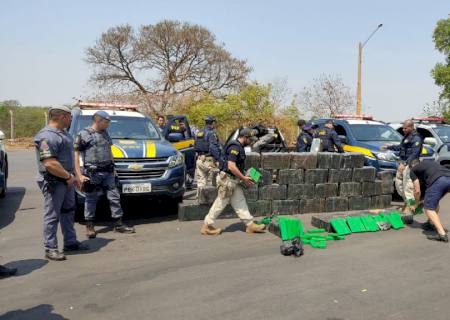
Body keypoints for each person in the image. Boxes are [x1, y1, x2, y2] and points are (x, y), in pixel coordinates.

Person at [34, 106, 88, 261]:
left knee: (68, 211)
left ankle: (70, 242)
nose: (71, 119)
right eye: (70, 117)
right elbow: (50, 163)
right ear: (63, 117)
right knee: (52, 215)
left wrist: (75, 177)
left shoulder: (64, 134)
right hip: (55, 181)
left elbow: (72, 158)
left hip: (67, 180)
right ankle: (50, 248)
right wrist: (67, 177)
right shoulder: (46, 136)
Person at [74, 110, 135, 239]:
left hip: (108, 172)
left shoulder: (105, 133)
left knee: (114, 197)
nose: (108, 124)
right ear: (98, 121)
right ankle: (89, 225)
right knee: (91, 199)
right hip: (92, 173)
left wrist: (114, 168)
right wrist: (79, 175)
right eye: (106, 122)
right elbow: (76, 155)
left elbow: (109, 150)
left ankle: (118, 224)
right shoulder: (84, 134)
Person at [201, 128, 266, 235]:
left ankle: (250, 225)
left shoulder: (239, 146)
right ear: (245, 137)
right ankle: (206, 226)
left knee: (240, 201)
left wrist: (244, 175)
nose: (251, 142)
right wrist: (244, 178)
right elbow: (231, 166)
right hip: (227, 180)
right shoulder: (235, 147)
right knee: (220, 203)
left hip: (233, 180)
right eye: (250, 139)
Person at [383, 119, 423, 211]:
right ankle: (409, 204)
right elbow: (400, 147)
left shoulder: (416, 138)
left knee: (408, 188)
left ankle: (411, 210)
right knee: (399, 185)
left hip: (411, 164)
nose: (403, 130)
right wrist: (388, 147)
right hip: (402, 164)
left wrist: (405, 164)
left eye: (405, 128)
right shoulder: (406, 137)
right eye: (403, 128)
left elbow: (415, 153)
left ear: (411, 127)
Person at [409, 159, 450, 242]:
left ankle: (442, 234)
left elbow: (417, 191)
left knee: (428, 208)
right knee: (434, 202)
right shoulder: (429, 163)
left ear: (412, 166)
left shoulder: (412, 170)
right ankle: (431, 223)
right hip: (448, 177)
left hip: (439, 180)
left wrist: (416, 204)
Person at [194, 116, 222, 194]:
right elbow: (213, 148)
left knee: (201, 182)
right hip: (209, 160)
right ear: (212, 123)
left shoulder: (199, 132)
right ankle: (212, 200)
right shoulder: (211, 133)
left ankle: (200, 198)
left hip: (199, 159)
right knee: (214, 181)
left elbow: (195, 145)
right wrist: (218, 159)